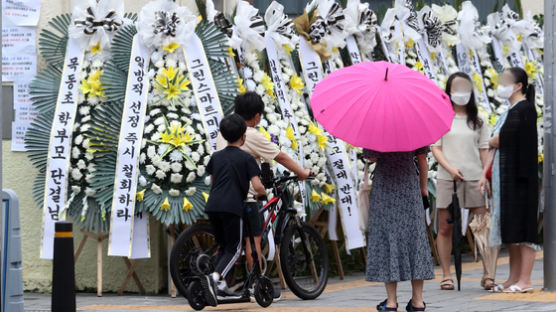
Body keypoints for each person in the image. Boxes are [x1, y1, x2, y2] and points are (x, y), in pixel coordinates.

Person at [216, 92, 311, 277]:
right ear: (257, 116)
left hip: (220, 195)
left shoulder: (224, 133)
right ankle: (256, 286)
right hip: (245, 197)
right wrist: (302, 173)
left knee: (233, 242)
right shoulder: (250, 134)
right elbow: (280, 156)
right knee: (254, 242)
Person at [431, 72, 497, 291]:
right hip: (447, 178)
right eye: (457, 87)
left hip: (474, 177)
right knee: (445, 227)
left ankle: (488, 273)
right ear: (449, 91)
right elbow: (436, 148)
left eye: (466, 87)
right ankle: (447, 275)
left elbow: (484, 151)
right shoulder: (441, 117)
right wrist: (450, 169)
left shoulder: (478, 120)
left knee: (481, 226)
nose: (462, 92)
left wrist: (484, 176)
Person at [479, 67, 540, 293]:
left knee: (525, 232)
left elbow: (503, 137)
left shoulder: (525, 108)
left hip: (521, 181)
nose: (501, 85)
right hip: (508, 182)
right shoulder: (512, 109)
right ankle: (512, 279)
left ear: (518, 86)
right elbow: (495, 141)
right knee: (512, 232)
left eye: (505, 81)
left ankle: (525, 281)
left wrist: (495, 140)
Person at [201, 114, 267, 306]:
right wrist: (261, 195)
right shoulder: (247, 158)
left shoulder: (216, 157)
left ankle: (221, 288)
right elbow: (257, 185)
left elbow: (213, 182)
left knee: (223, 247)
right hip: (232, 207)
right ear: (244, 136)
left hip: (213, 206)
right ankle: (213, 278)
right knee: (235, 249)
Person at [364, 147, 434, 312]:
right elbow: (422, 159)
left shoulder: (376, 126)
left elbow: (372, 157)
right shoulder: (413, 125)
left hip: (384, 189)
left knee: (388, 240)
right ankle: (417, 301)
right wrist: (423, 188)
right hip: (409, 187)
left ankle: (391, 302)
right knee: (415, 240)